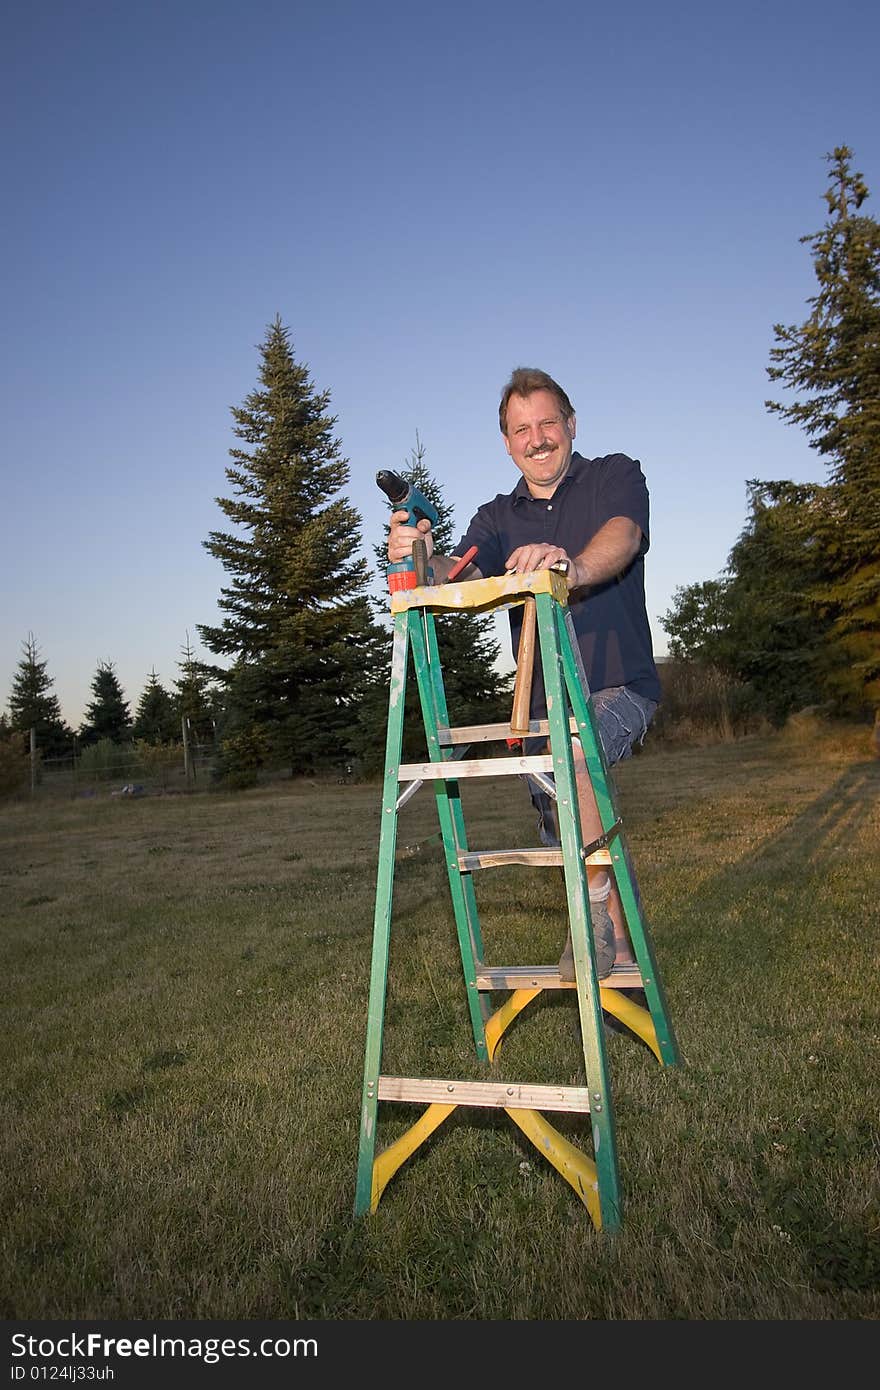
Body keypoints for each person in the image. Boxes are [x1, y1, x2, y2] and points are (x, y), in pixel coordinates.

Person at [386, 366, 661, 980]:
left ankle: (593, 922)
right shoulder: (497, 515)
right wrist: (417, 555)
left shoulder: (614, 474)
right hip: (539, 706)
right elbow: (456, 576)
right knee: (562, 800)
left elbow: (623, 534)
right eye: (520, 430)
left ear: (570, 425)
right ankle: (617, 945)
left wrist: (571, 566)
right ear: (507, 443)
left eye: (546, 424)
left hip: (620, 684)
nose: (536, 439)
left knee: (573, 755)